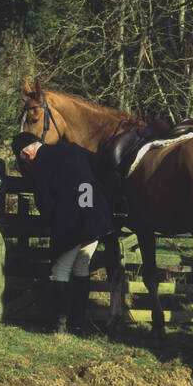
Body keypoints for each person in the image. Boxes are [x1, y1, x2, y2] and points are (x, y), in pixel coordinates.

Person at [11, 132, 114, 334]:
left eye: (22, 157)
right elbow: (102, 167)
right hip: (96, 218)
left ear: (26, 152)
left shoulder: (40, 165)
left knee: (60, 270)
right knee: (82, 267)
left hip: (71, 224)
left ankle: (59, 325)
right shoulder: (72, 147)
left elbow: (46, 202)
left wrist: (53, 221)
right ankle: (78, 323)